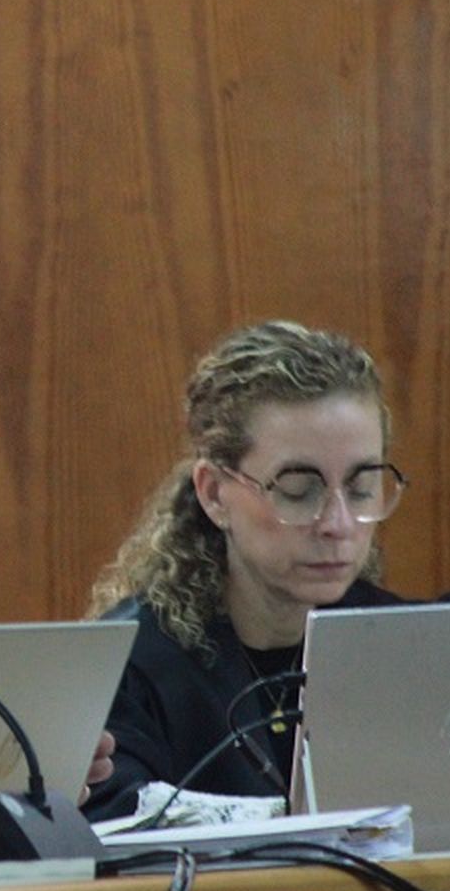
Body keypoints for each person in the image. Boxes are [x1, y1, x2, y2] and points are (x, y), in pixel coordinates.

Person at [83, 321, 410, 819]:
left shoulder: (415, 643)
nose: (339, 524)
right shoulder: (126, 669)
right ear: (215, 494)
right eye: (299, 491)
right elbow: (113, 823)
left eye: (362, 487)